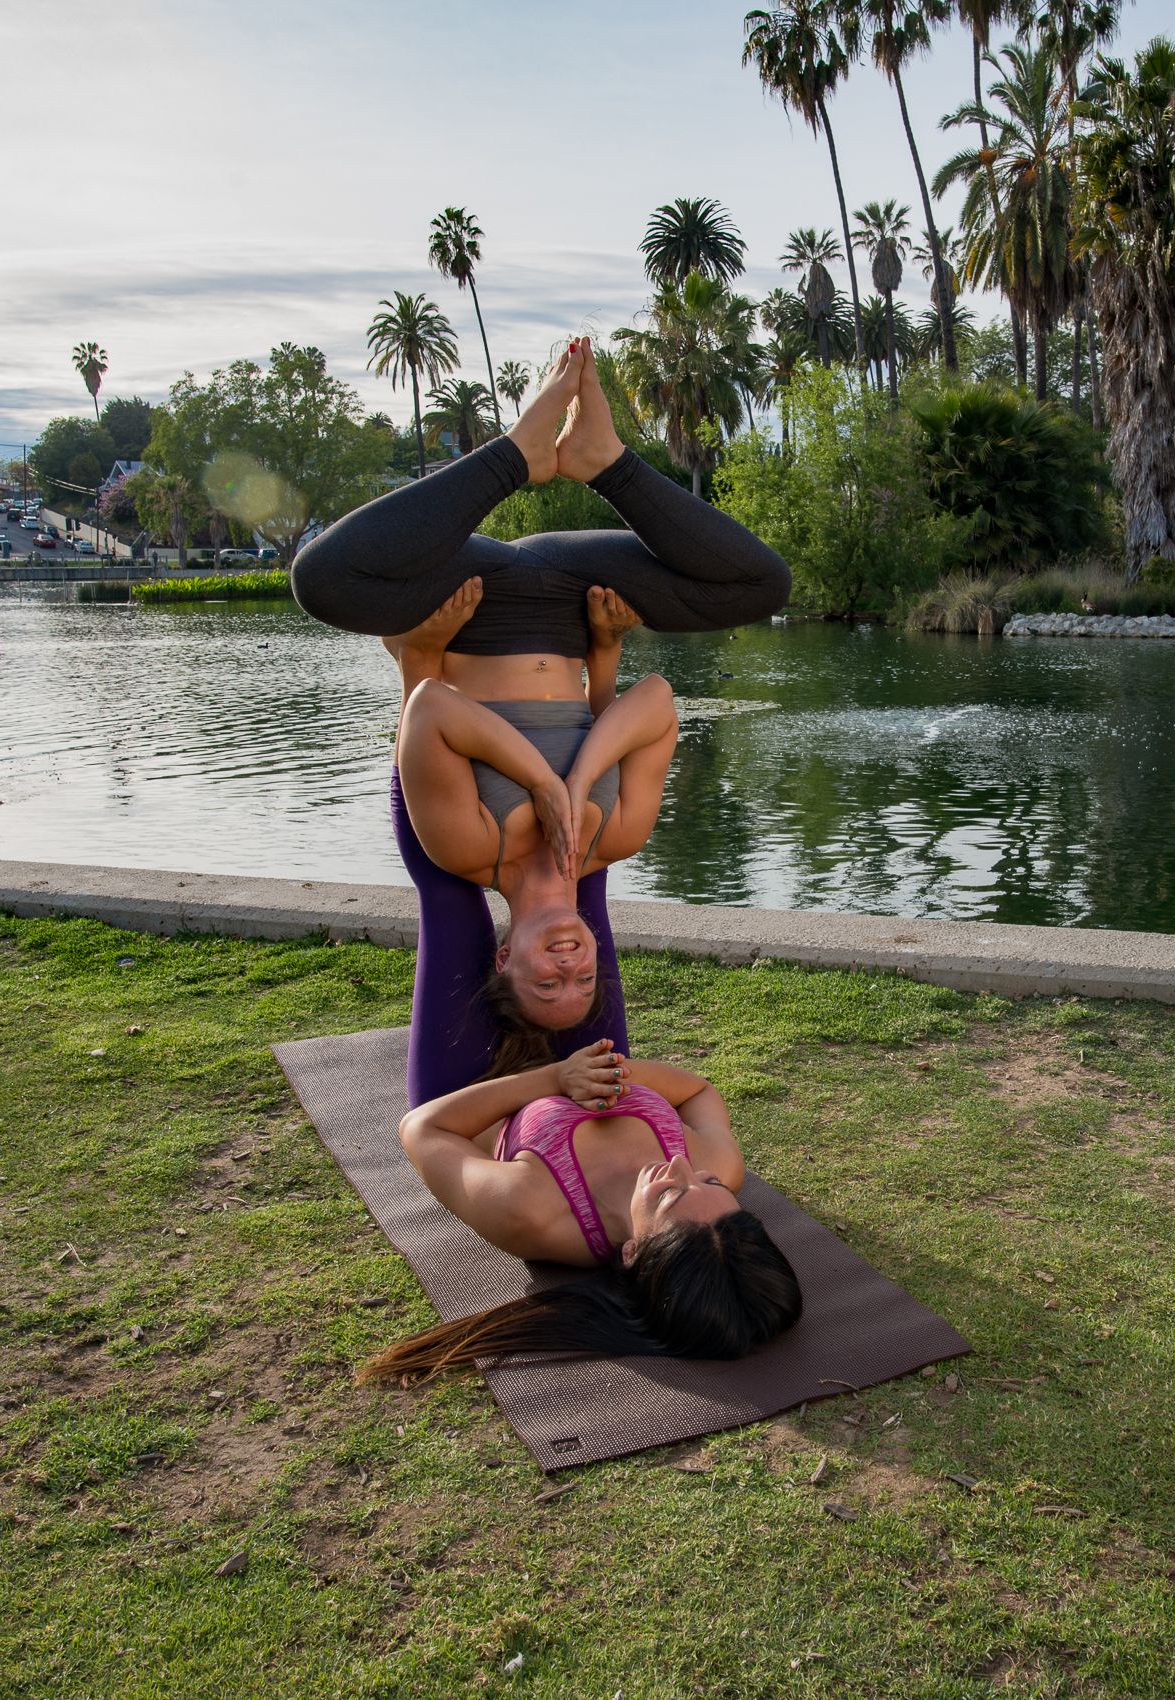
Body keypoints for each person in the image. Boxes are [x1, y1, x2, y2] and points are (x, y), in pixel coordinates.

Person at [291, 339, 790, 1105]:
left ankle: (514, 455)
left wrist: (537, 781)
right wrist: (586, 746)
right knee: (760, 584)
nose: (569, 963)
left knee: (322, 581)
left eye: (547, 977)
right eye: (583, 974)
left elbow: (431, 709)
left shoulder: (466, 848)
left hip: (469, 598)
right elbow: (655, 702)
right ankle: (603, 460)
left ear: (504, 958)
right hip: (570, 592)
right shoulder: (613, 836)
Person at [357, 1048, 803, 1385]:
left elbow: (423, 1127)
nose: (683, 1166)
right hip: (583, 1043)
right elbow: (697, 1089)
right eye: (711, 1186)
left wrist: (557, 1076)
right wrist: (602, 1068)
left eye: (668, 1195)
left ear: (632, 1251)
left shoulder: (533, 1213)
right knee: (564, 935)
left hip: (475, 1071)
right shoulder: (722, 1165)